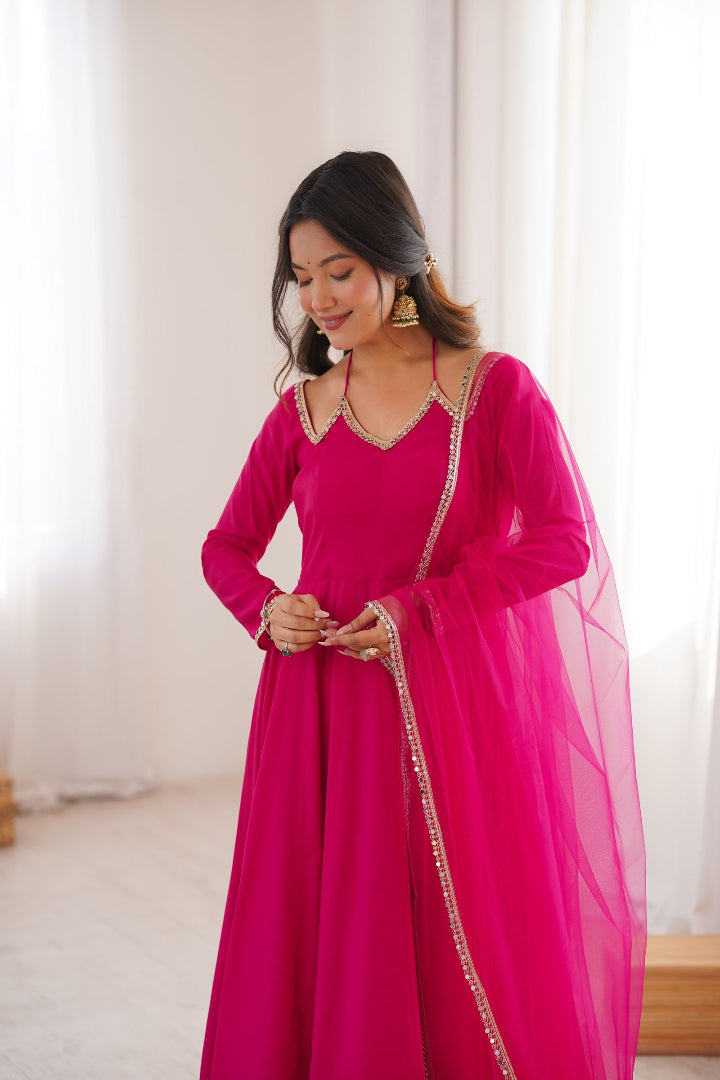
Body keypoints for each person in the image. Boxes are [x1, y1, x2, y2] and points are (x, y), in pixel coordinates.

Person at [199, 150, 646, 1080]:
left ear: (394, 260)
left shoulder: (493, 390)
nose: (317, 299)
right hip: (316, 716)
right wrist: (268, 609)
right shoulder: (305, 410)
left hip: (448, 711)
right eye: (301, 277)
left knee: (457, 928)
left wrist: (421, 609)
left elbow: (565, 539)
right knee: (327, 931)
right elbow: (225, 549)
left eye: (339, 272)